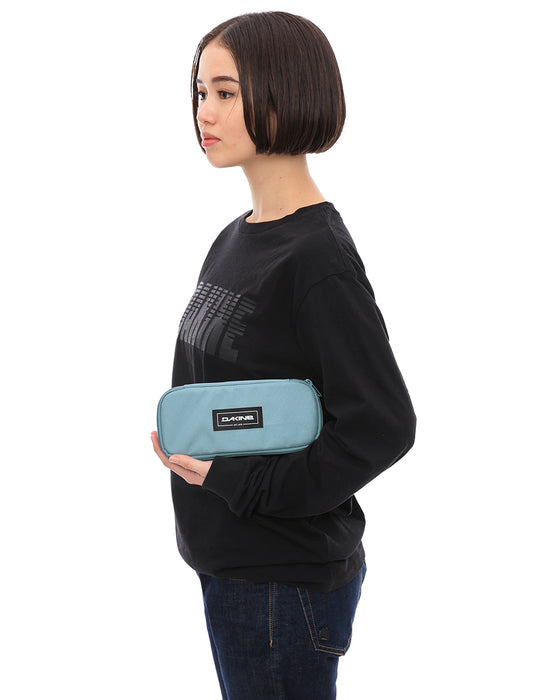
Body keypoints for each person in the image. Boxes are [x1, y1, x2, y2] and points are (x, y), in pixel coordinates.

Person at [151, 11, 416, 699]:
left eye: (226, 93)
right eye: (200, 91)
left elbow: (383, 425)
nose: (204, 111)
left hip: (281, 584)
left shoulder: (316, 258)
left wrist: (241, 485)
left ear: (283, 94)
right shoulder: (236, 237)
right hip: (235, 568)